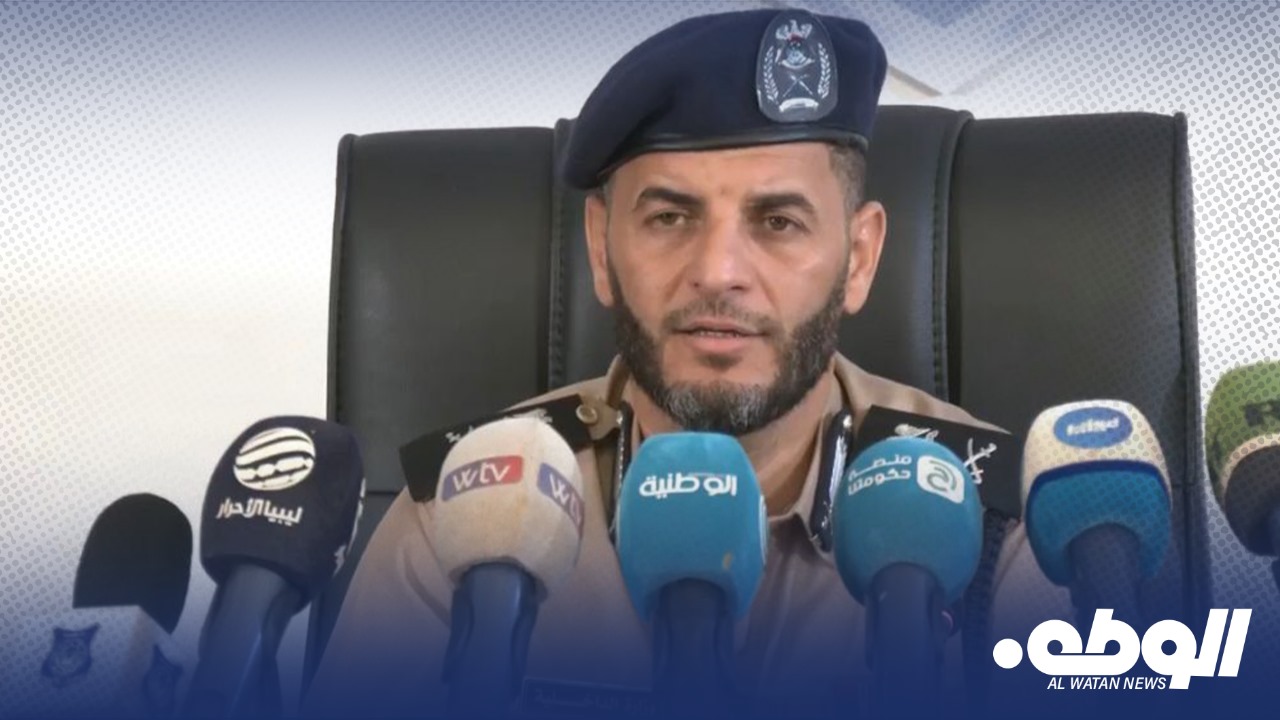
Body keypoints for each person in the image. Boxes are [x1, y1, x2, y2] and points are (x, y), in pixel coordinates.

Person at [305, 8, 1065, 717]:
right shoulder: (471, 507)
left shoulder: (997, 519)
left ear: (860, 258)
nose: (717, 272)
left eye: (778, 221)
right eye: (670, 217)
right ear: (600, 248)